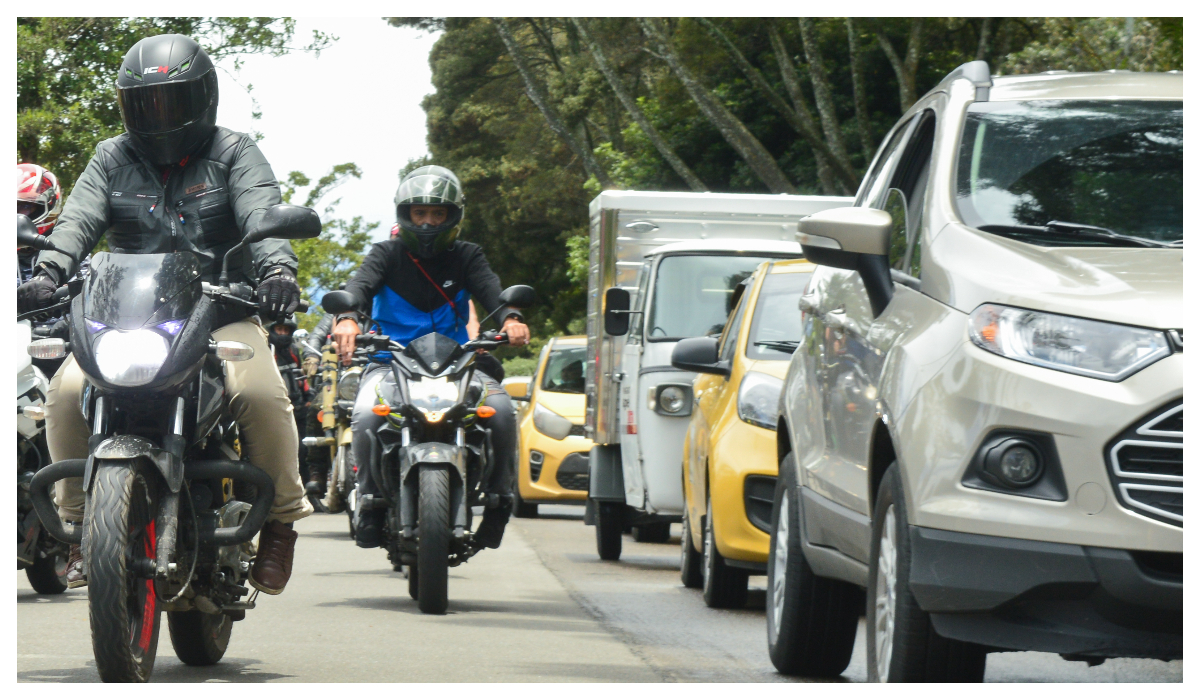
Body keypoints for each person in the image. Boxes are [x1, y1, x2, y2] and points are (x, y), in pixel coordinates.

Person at [16, 33, 311, 594]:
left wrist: (277, 274)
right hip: (128, 316)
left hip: (220, 307)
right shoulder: (111, 156)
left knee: (260, 392)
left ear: (203, 98)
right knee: (65, 391)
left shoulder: (234, 152)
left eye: (171, 102)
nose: (158, 116)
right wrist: (50, 273)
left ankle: (281, 522)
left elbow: (262, 211)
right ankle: (80, 527)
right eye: (144, 104)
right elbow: (77, 220)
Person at [332, 165, 529, 550]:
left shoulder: (468, 256)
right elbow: (359, 286)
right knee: (366, 413)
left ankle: (499, 501)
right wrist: (347, 320)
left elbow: (492, 291)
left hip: (457, 364)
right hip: (391, 361)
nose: (427, 223)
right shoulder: (385, 254)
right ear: (404, 215)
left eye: (436, 214)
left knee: (503, 412)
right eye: (419, 214)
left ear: (453, 216)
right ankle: (370, 501)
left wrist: (512, 318)